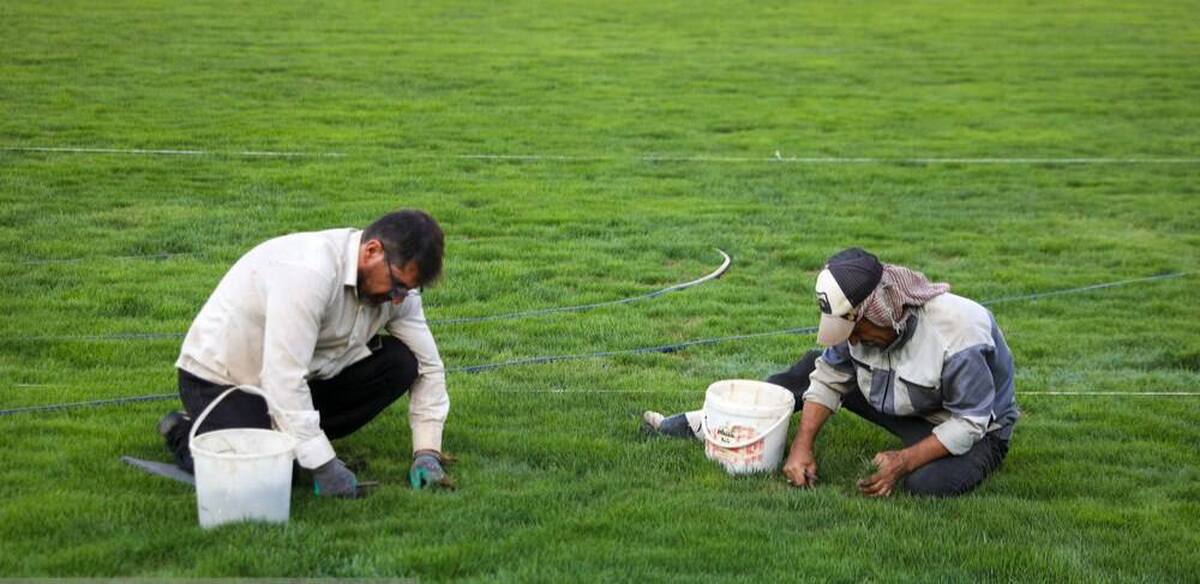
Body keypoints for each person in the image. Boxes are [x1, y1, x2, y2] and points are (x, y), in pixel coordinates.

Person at [643, 247, 1018, 497]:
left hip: (979, 428)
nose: (849, 339)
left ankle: (923, 459)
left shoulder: (960, 333)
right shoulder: (859, 326)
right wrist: (801, 447)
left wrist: (904, 461)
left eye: (854, 329)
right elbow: (828, 377)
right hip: (900, 401)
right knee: (810, 368)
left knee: (927, 485)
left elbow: (970, 421)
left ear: (878, 312)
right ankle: (706, 423)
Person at [158, 209, 453, 497]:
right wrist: (324, 466)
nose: (399, 299)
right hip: (223, 379)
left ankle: (292, 442)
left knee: (401, 363)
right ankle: (183, 431)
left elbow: (429, 366)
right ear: (371, 251)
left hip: (302, 376)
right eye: (398, 284)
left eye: (410, 290)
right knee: (272, 477)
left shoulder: (400, 293)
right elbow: (283, 378)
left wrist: (427, 453)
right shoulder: (310, 273)